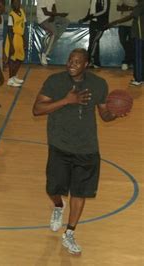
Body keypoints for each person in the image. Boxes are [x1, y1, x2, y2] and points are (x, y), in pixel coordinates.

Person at [32, 48, 127, 255]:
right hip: (59, 144)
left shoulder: (98, 84)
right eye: (70, 60)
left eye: (77, 62)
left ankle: (70, 233)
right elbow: (37, 109)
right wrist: (67, 100)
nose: (71, 64)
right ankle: (58, 206)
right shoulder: (55, 81)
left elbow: (104, 115)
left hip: (87, 148)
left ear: (86, 64)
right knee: (53, 188)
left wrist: (115, 113)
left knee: (79, 191)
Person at [107, 0, 144, 86]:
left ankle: (138, 79)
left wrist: (115, 22)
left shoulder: (141, 4)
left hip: (139, 35)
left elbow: (131, 16)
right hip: (140, 34)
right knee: (140, 57)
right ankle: (140, 78)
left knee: (138, 58)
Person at [36, 0, 70, 66]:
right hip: (43, 20)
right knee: (54, 33)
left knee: (66, 21)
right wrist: (60, 14)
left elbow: (54, 8)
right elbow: (45, 12)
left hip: (51, 17)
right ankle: (44, 54)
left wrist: (53, 16)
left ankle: (54, 35)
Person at [79, 0, 110, 68]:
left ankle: (91, 60)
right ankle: (94, 62)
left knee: (94, 41)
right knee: (93, 41)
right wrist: (85, 19)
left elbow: (105, 10)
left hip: (101, 23)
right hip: (93, 22)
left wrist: (93, 15)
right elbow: (91, 10)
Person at [5, 0, 26, 87]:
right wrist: (11, 45)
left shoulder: (22, 11)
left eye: (18, 2)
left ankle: (13, 76)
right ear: (12, 5)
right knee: (12, 59)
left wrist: (24, 40)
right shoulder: (11, 15)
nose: (16, 4)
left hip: (20, 37)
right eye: (14, 3)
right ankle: (10, 79)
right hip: (13, 38)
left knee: (20, 58)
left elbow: (24, 26)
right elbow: (9, 31)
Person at [117, 0, 137, 70]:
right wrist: (131, 8)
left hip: (134, 24)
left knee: (132, 43)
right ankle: (131, 60)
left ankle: (126, 61)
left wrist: (126, 7)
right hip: (122, 23)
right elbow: (118, 8)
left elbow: (138, 9)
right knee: (123, 41)